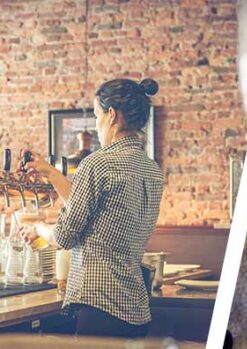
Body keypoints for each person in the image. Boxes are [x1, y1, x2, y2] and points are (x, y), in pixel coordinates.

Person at [20, 78, 163, 338]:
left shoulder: (97, 164)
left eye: (97, 115)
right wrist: (51, 173)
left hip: (101, 307)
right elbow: (93, 208)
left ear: (111, 115)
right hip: (136, 309)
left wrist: (39, 227)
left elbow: (64, 236)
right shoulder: (152, 170)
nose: (96, 127)